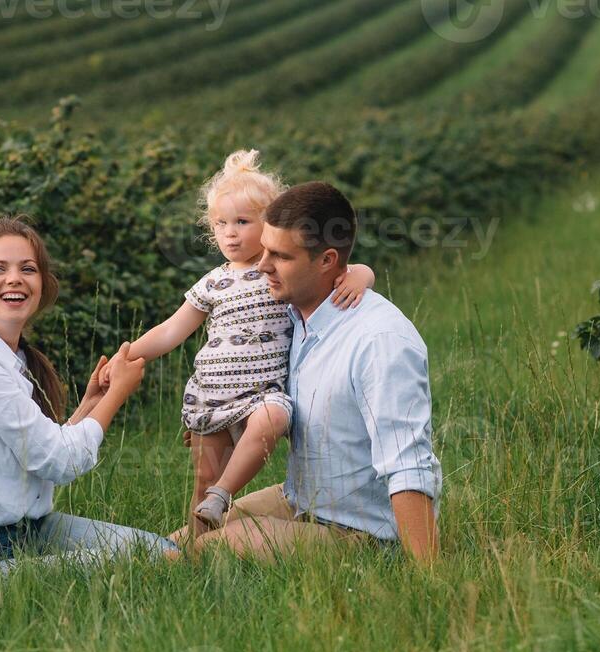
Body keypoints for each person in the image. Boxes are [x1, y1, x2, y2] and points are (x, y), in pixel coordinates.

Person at [105, 150, 375, 535]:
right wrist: (128, 354)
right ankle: (195, 555)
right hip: (212, 393)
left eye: (243, 222)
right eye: (220, 223)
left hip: (259, 394)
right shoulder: (213, 282)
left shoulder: (281, 269)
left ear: (269, 226)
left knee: (276, 417)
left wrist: (361, 275)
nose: (229, 233)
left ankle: (224, 493)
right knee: (199, 487)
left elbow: (348, 266)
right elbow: (171, 330)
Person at [188, 182, 442, 563]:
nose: (262, 266)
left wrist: (430, 578)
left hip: (359, 532)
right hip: (299, 501)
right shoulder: (291, 317)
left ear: (326, 261)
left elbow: (409, 465)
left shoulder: (379, 340)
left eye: (280, 256)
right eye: (265, 249)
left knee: (204, 551)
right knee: (178, 543)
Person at [0, 215, 177, 562]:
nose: (14, 279)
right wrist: (115, 396)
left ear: (42, 282)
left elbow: (42, 449)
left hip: (28, 528)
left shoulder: (7, 357)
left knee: (161, 552)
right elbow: (58, 461)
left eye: (28, 269)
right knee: (158, 560)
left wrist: (91, 403)